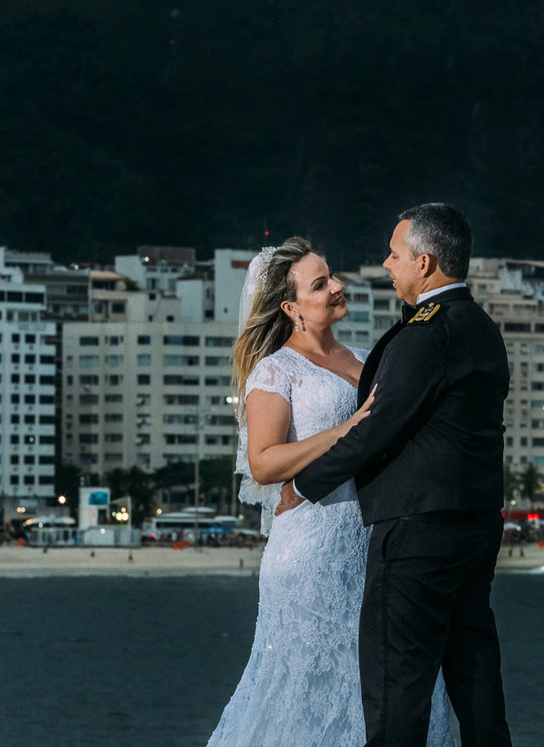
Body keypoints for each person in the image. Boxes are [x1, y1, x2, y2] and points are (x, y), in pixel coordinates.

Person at [282, 203, 513, 747]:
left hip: (416, 530)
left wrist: (303, 485)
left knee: (395, 686)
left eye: (395, 253)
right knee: (474, 668)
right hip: (476, 526)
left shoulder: (428, 333)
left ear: (425, 263)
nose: (386, 264)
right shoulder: (482, 327)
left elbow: (377, 427)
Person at [206, 237, 453, 747]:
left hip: (371, 546)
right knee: (303, 689)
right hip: (308, 555)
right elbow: (264, 462)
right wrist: (346, 430)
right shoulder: (274, 370)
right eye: (321, 284)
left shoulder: (369, 359)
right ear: (291, 307)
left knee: (381, 682)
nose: (338, 287)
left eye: (332, 276)